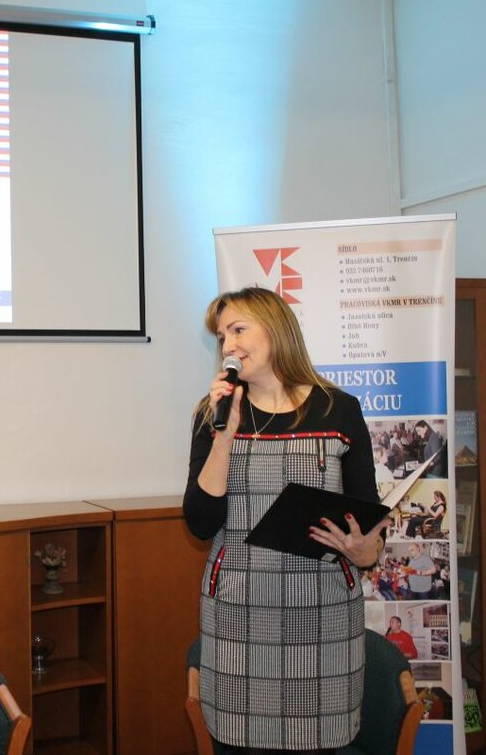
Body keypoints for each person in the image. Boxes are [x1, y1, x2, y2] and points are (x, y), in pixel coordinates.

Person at [183, 286, 387, 754]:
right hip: (238, 614)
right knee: (239, 742)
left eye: (238, 330)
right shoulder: (211, 416)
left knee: (321, 742)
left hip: (324, 616)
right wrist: (224, 435)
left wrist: (364, 551)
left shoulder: (338, 409)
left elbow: (369, 523)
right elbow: (200, 522)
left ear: (276, 330)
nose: (229, 345)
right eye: (222, 337)